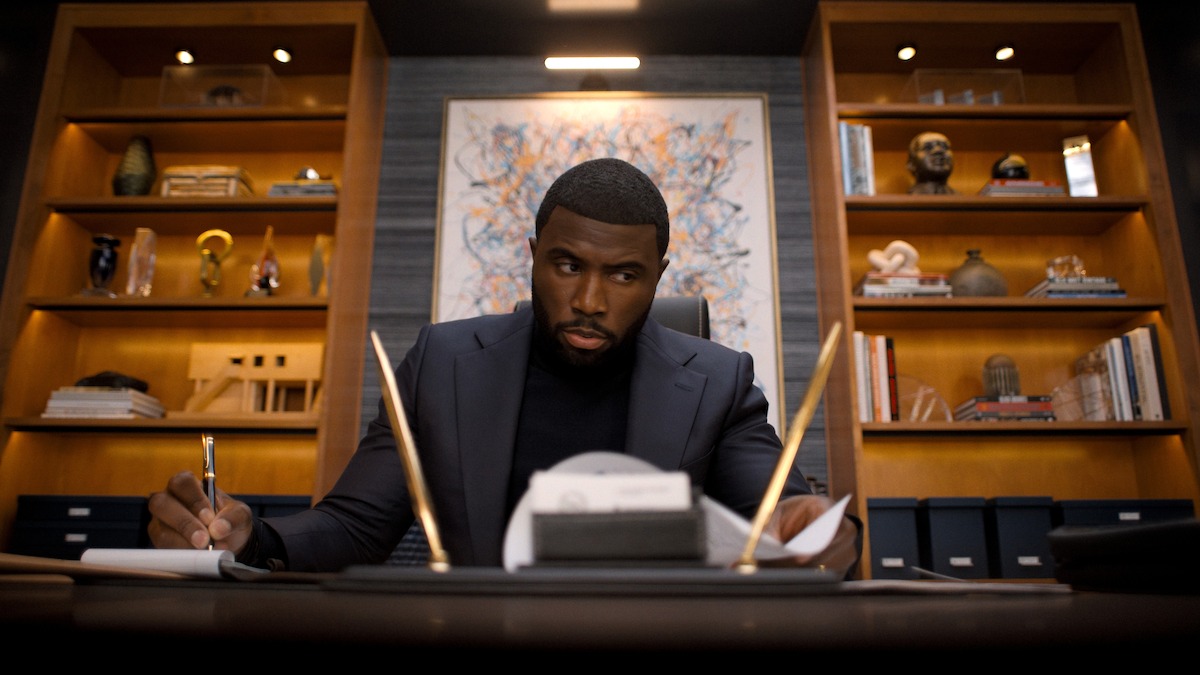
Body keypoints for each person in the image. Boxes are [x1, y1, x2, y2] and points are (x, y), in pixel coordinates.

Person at [148, 157, 862, 576]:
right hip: (482, 643)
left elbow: (782, 512)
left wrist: (821, 532)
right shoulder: (443, 362)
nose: (587, 299)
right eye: (566, 264)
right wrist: (252, 538)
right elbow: (355, 526)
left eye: (623, 275)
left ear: (658, 277)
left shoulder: (719, 379)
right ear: (532, 255)